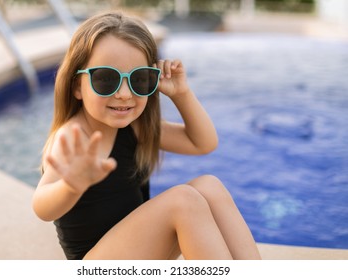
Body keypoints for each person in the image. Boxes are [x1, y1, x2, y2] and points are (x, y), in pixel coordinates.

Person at [32, 11, 261, 260]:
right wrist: (71, 186)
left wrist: (180, 94)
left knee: (209, 186)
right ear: (78, 86)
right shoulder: (73, 137)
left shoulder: (135, 127)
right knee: (182, 200)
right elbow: (42, 206)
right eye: (106, 79)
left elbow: (203, 143)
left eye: (139, 79)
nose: (123, 93)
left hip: (135, 255)